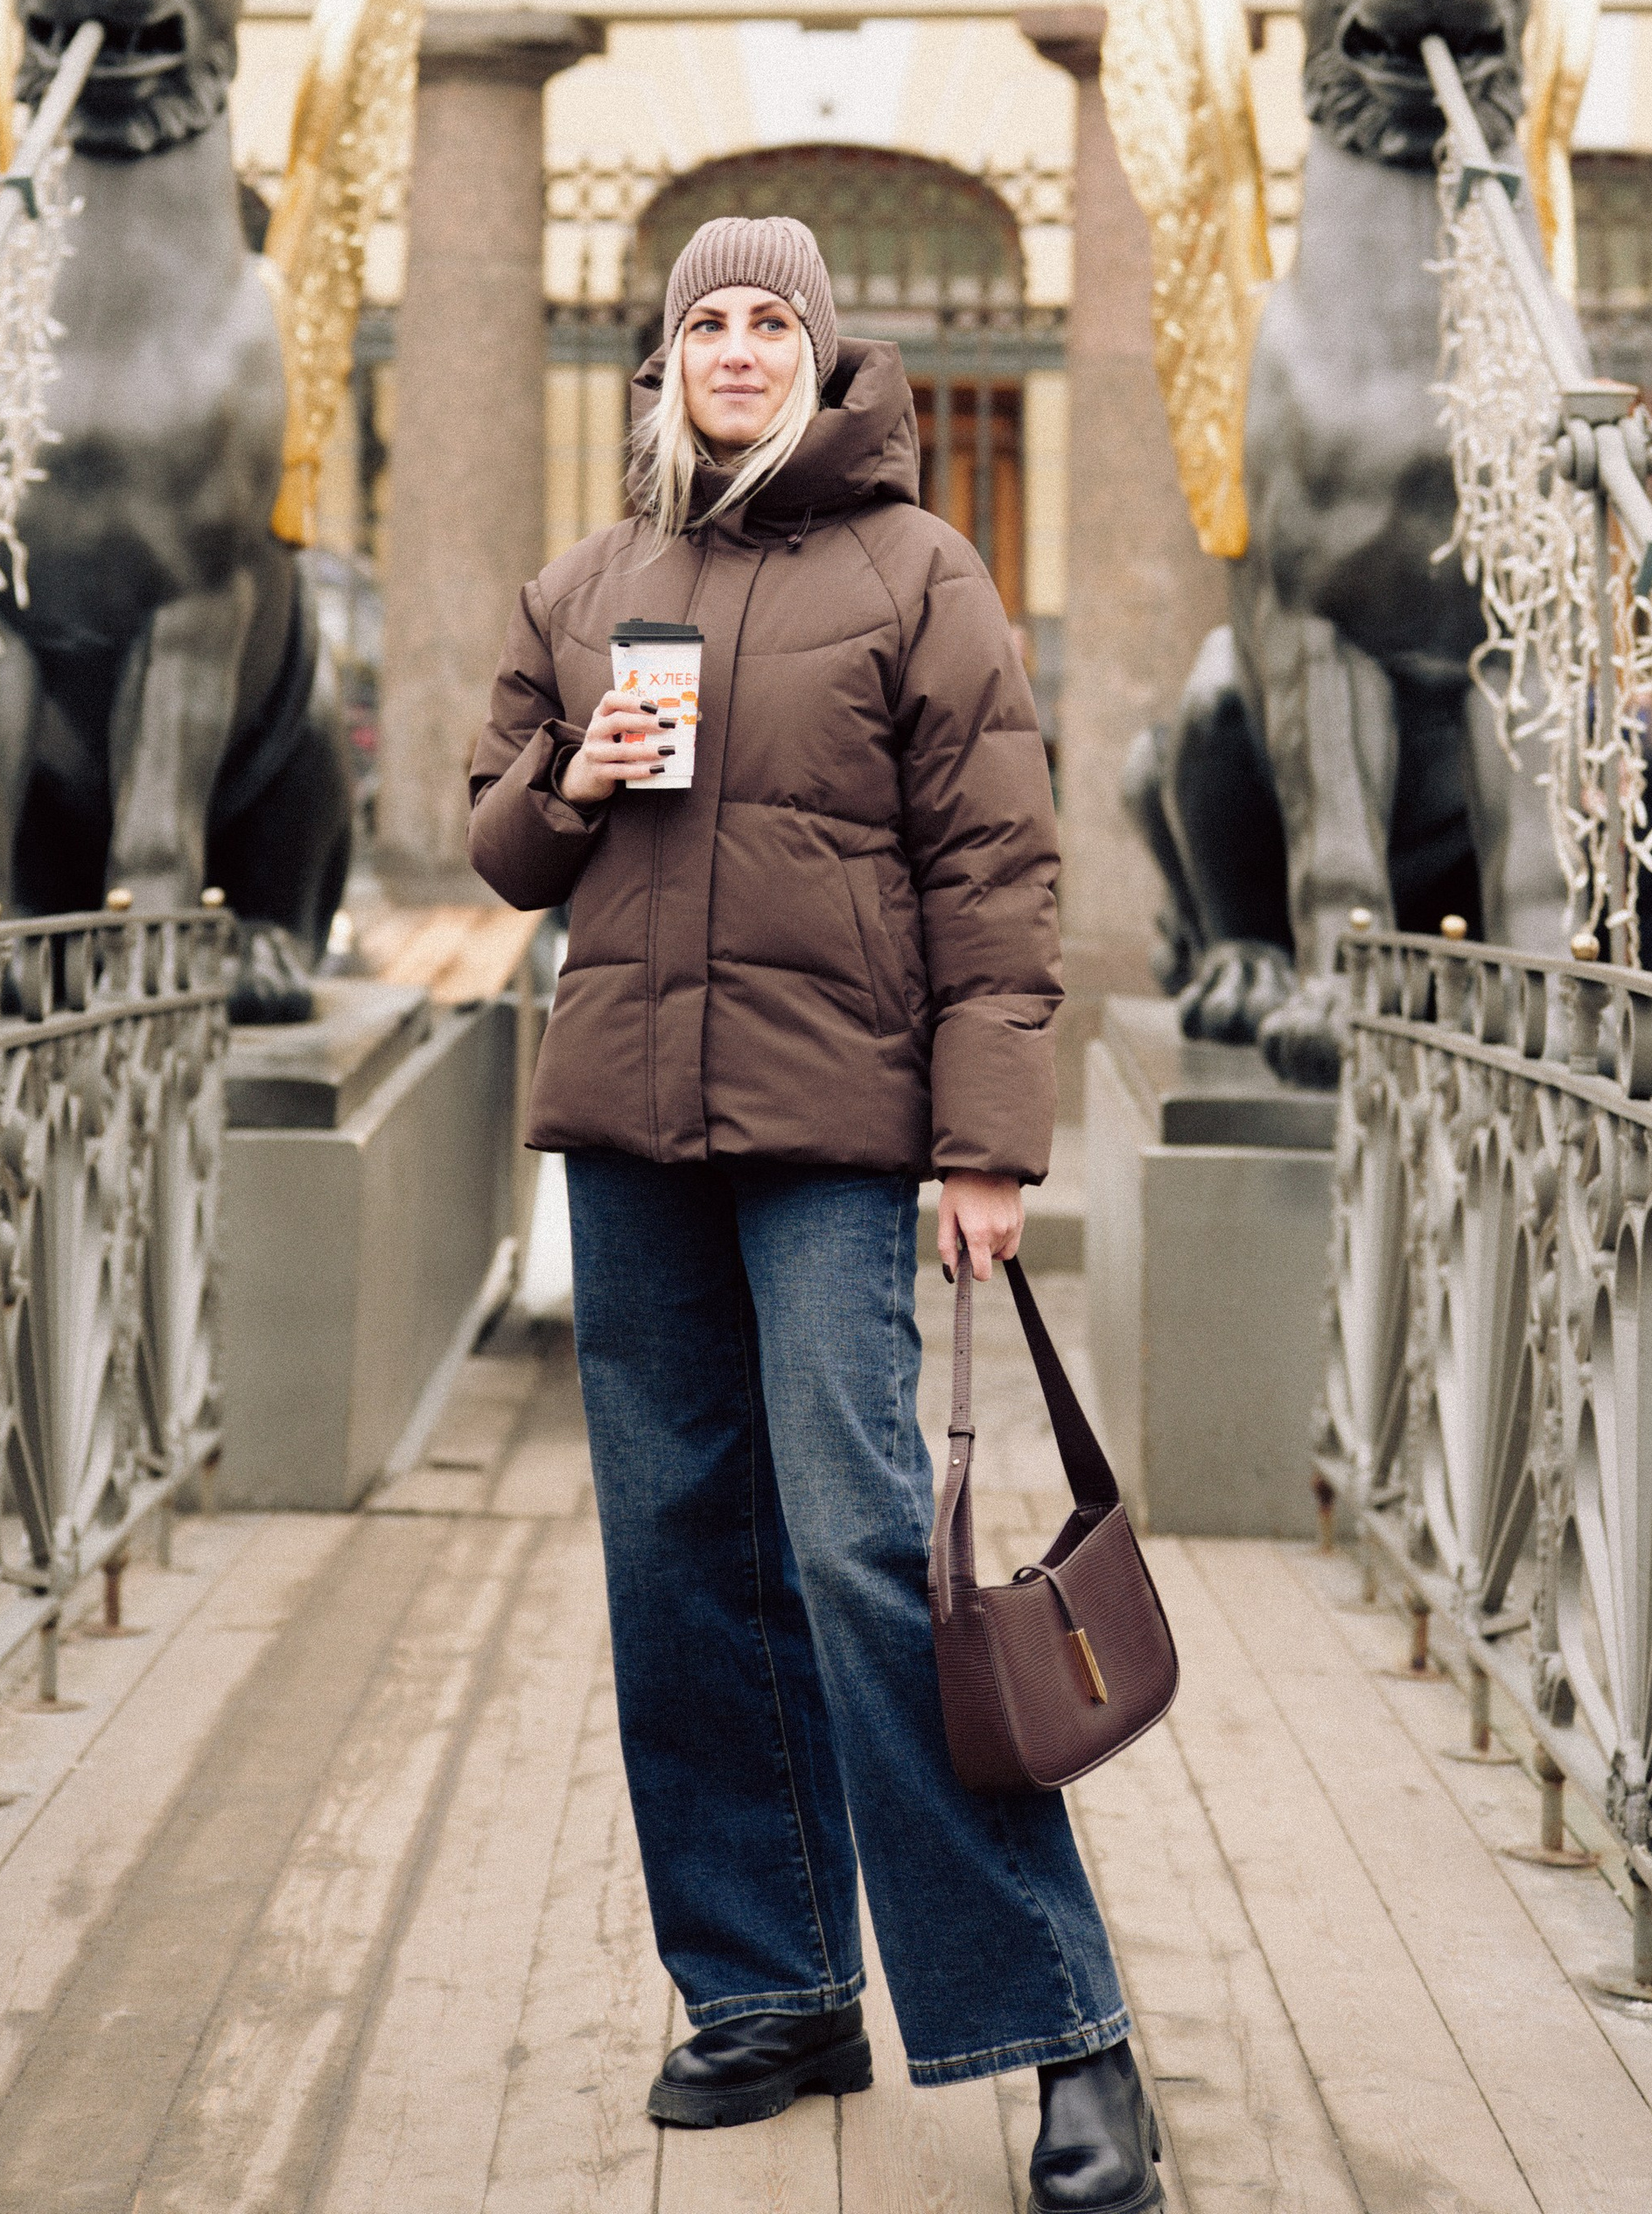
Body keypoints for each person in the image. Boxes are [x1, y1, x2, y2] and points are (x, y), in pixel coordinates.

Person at [468, 214, 1160, 2211]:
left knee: (864, 1555)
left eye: (774, 321)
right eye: (709, 322)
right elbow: (499, 844)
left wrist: (986, 1143)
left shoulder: (915, 575)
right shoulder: (588, 583)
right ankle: (766, 1991)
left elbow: (997, 872)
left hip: (837, 1140)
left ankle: (1059, 2023)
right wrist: (575, 772)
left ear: (822, 353)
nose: (742, 349)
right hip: (629, 1133)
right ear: (661, 361)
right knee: (676, 1554)